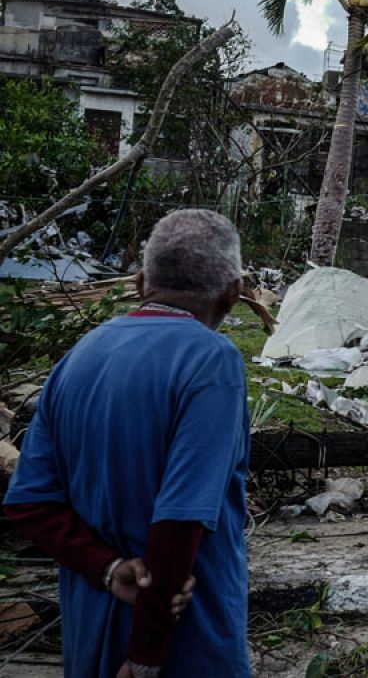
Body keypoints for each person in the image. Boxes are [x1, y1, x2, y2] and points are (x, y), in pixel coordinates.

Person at [4, 209, 251, 677]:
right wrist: (145, 655)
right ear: (234, 292)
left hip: (91, 629)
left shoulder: (80, 356)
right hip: (183, 641)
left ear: (140, 283)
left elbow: (29, 503)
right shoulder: (212, 361)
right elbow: (180, 517)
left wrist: (106, 566)